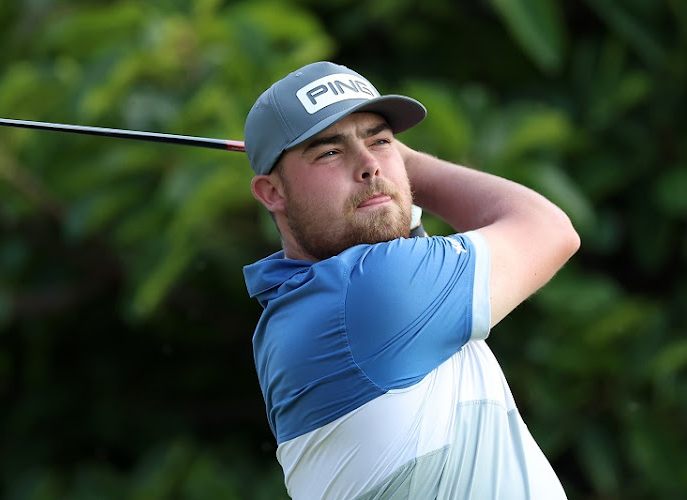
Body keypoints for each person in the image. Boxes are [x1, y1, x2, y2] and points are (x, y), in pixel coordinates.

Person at [242, 61, 580, 499]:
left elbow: (398, 230)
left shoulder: (305, 303)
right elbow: (550, 230)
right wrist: (410, 162)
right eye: (329, 152)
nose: (369, 166)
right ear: (273, 192)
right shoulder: (370, 292)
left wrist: (382, 172)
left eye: (380, 141)